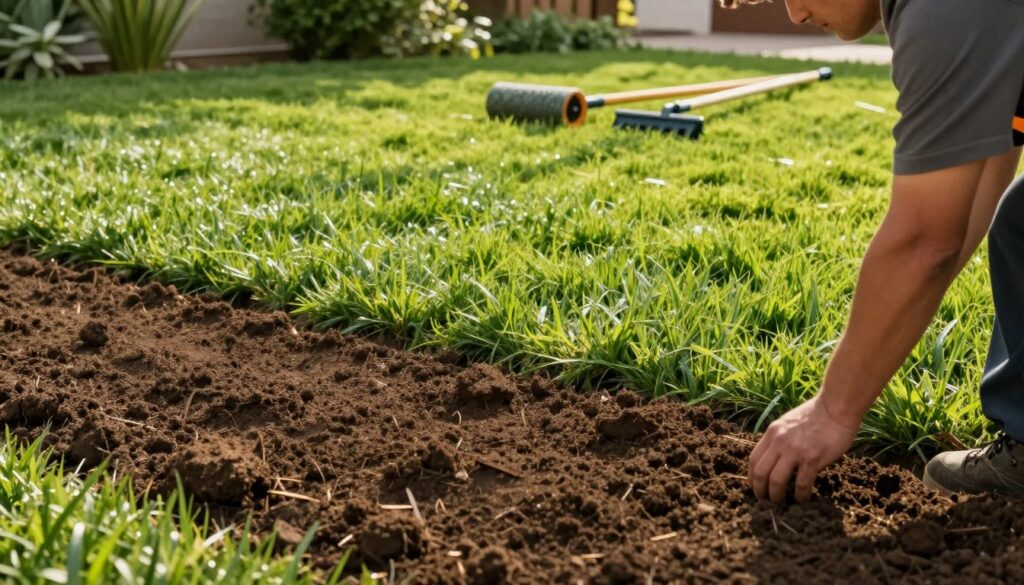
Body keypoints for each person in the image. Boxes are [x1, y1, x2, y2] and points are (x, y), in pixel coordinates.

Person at [718, 0, 1024, 503]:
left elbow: (926, 240)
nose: (794, 15)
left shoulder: (942, 11)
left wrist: (833, 410)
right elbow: (978, 188)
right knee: (1020, 223)